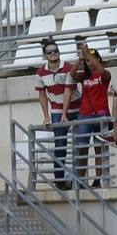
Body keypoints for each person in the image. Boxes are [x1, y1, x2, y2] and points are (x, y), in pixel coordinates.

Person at [35, 38, 77, 188]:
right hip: (57, 110)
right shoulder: (41, 72)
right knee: (60, 144)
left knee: (80, 145)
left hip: (76, 108)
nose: (53, 54)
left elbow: (69, 91)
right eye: (49, 52)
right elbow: (42, 94)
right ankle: (60, 181)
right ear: (45, 55)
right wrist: (46, 116)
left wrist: (65, 113)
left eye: (56, 51)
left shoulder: (68, 68)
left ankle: (79, 179)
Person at [71, 45, 113, 186]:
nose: (89, 60)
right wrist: (80, 59)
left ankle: (98, 179)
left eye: (93, 58)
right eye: (88, 58)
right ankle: (80, 180)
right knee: (82, 148)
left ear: (98, 59)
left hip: (101, 115)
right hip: (84, 116)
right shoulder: (84, 76)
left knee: (99, 148)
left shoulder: (104, 75)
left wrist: (89, 54)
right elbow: (72, 74)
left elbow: (101, 70)